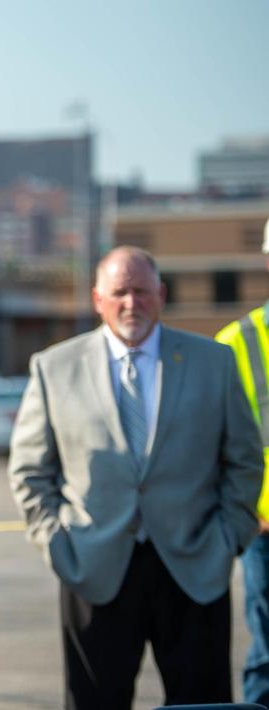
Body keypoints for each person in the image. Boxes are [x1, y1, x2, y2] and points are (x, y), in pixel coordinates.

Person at [8, 245, 262, 709]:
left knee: (202, 703)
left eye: (142, 291)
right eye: (119, 292)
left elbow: (244, 460)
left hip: (194, 565)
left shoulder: (213, 362)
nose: (131, 303)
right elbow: (30, 470)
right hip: (92, 567)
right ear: (97, 299)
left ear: (161, 295)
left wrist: (230, 536)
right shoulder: (54, 367)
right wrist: (56, 542)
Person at [216, 216, 269, 706]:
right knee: (268, 650)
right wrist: (246, 510)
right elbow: (211, 439)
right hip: (263, 525)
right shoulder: (236, 340)